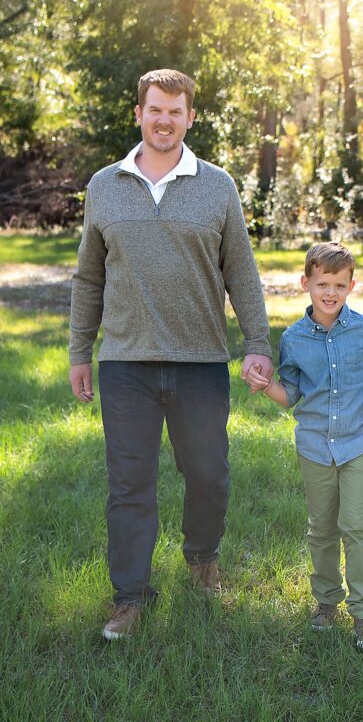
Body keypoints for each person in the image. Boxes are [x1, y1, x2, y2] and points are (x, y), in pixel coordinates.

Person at [69, 68, 273, 640]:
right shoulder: (105, 185)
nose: (164, 120)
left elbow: (243, 273)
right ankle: (130, 598)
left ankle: (201, 556)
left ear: (189, 118)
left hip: (201, 361)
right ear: (139, 113)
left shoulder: (218, 186)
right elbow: (88, 278)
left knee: (209, 475)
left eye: (175, 111)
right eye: (155, 109)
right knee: (129, 483)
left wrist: (257, 343)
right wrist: (80, 349)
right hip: (126, 362)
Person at [244, 241, 363, 650]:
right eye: (322, 284)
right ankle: (325, 602)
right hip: (314, 444)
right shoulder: (295, 339)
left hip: (359, 441)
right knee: (322, 528)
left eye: (338, 284)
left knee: (357, 526)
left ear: (351, 285)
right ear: (306, 283)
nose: (330, 292)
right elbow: (291, 395)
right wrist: (266, 387)